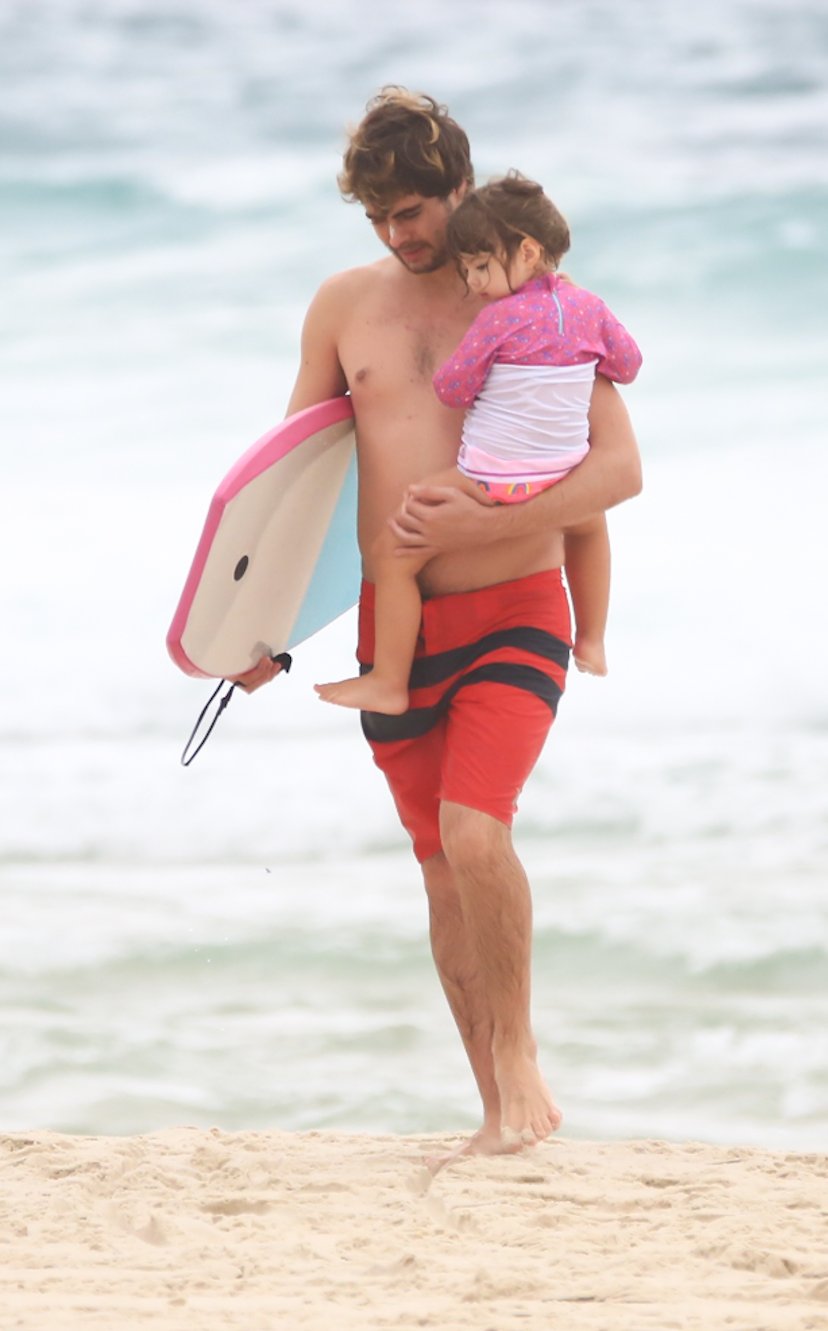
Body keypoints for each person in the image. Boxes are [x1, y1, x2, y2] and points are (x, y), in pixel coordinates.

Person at [226, 88, 642, 1160]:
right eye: (377, 217)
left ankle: (520, 1057)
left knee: (475, 829)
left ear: (458, 186)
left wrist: (496, 506)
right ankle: (495, 1105)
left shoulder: (530, 299)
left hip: (516, 605)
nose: (398, 234)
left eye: (412, 209)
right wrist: (262, 630)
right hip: (394, 628)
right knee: (438, 866)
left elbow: (617, 470)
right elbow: (298, 484)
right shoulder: (339, 309)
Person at [315, 172, 640, 715]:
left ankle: (389, 681)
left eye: (482, 267)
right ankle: (592, 641)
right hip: (562, 471)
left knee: (394, 550)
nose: (477, 282)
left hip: (493, 479)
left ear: (528, 252)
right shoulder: (589, 308)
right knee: (588, 527)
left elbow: (453, 388)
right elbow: (627, 364)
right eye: (468, 271)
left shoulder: (497, 319)